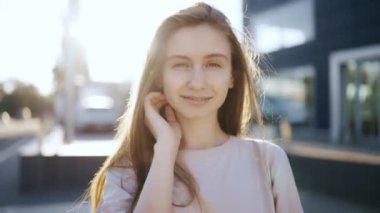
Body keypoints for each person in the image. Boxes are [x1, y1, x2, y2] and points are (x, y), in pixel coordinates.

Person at [87, 2, 303, 213]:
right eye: (180, 64)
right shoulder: (127, 172)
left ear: (232, 77)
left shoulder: (269, 160)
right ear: (160, 76)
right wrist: (165, 148)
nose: (197, 82)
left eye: (213, 64)